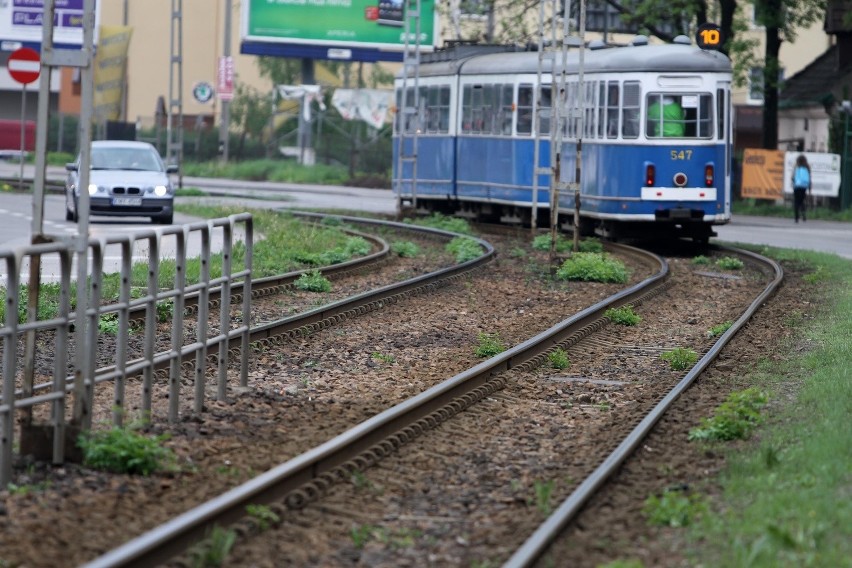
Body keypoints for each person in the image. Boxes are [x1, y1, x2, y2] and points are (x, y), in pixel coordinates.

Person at [792, 154, 812, 223]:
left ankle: (796, 217)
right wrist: (809, 189)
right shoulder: (807, 167)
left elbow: (792, 177)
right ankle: (804, 215)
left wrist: (794, 183)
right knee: (802, 201)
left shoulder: (796, 167)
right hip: (804, 187)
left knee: (796, 202)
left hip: (797, 186)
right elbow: (809, 179)